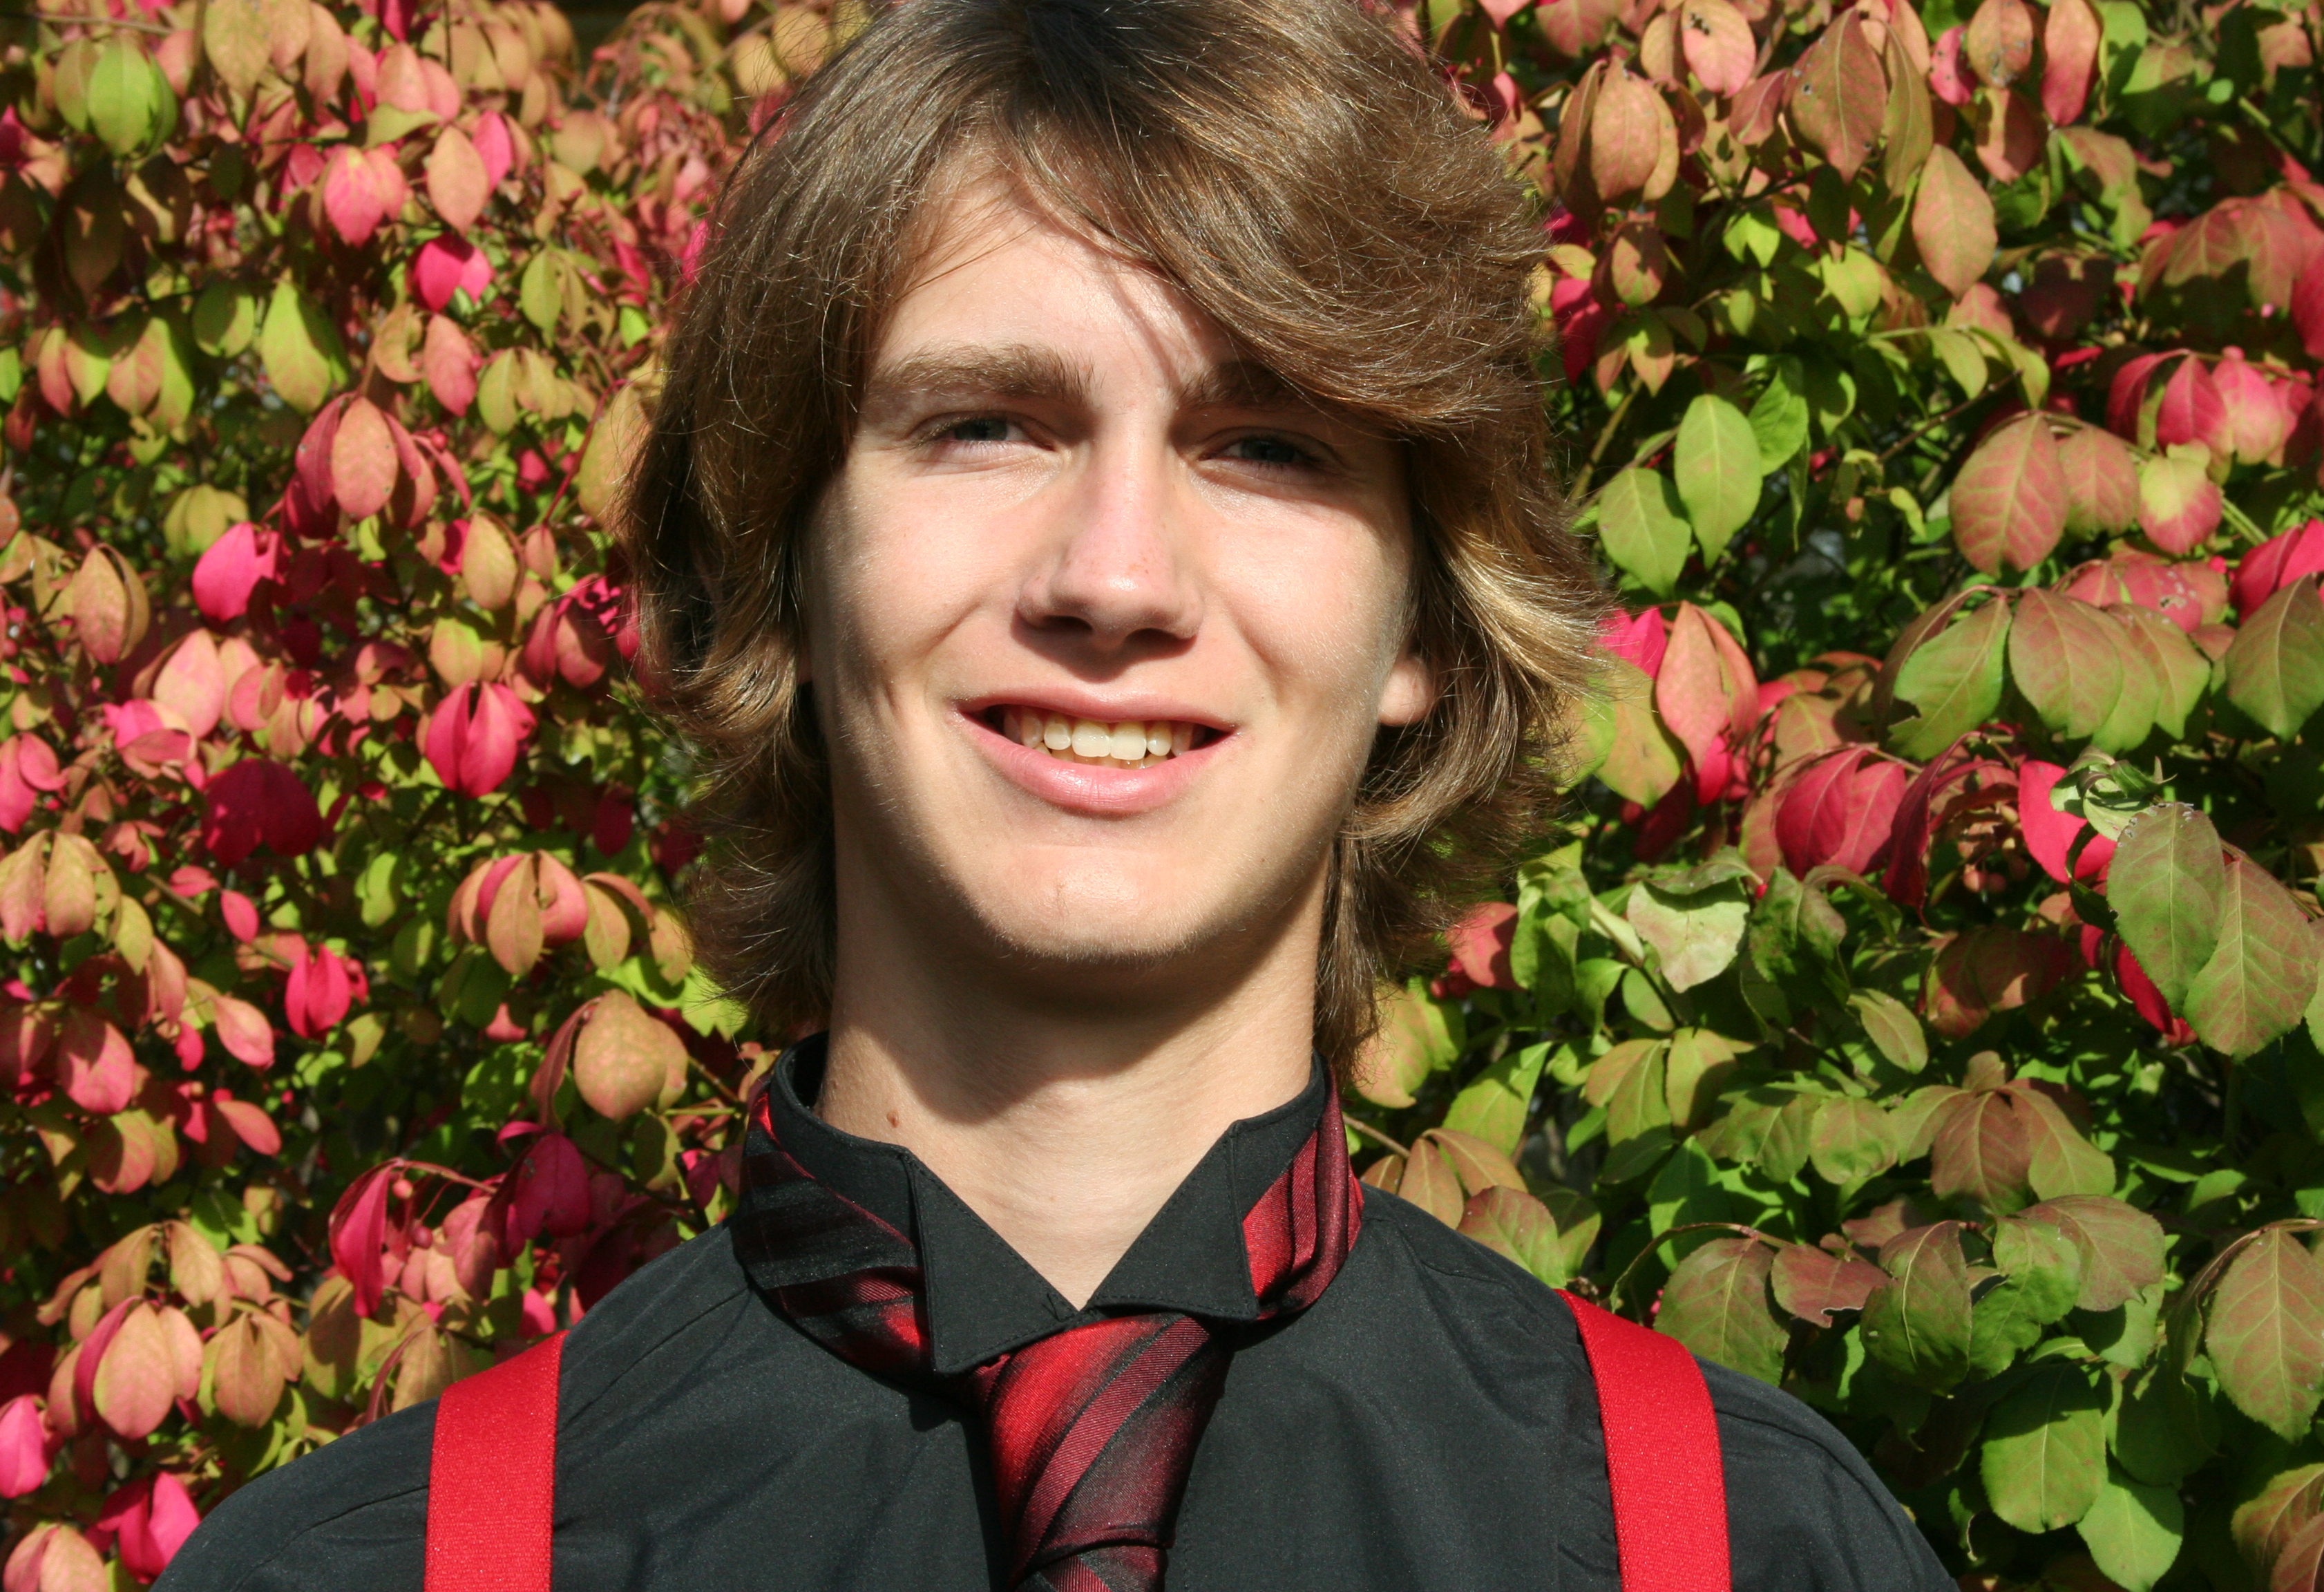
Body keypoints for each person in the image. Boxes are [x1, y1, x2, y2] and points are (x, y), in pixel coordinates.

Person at [162, 0, 1959, 1586]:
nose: (1116, 578)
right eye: (987, 425)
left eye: (1268, 445)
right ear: (785, 563)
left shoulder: (1740, 1545)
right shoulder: (360, 1572)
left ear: (1422, 619)